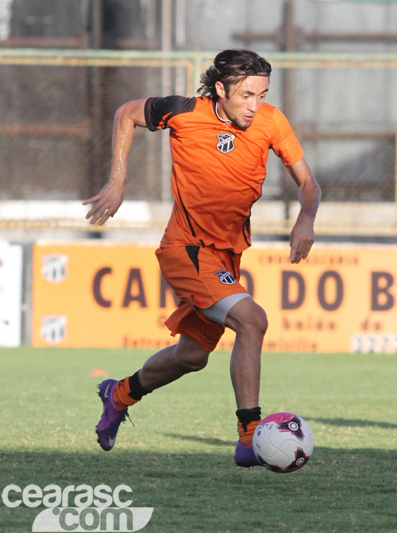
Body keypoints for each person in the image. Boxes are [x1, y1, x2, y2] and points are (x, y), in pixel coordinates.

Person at [83, 49, 321, 468]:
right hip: (186, 250)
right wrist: (117, 182)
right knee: (253, 320)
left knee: (192, 357)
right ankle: (250, 436)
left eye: (262, 95)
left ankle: (118, 393)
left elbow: (309, 184)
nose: (255, 105)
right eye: (247, 95)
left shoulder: (271, 121)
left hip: (227, 256)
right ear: (220, 90)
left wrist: (306, 218)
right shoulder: (183, 112)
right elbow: (126, 113)